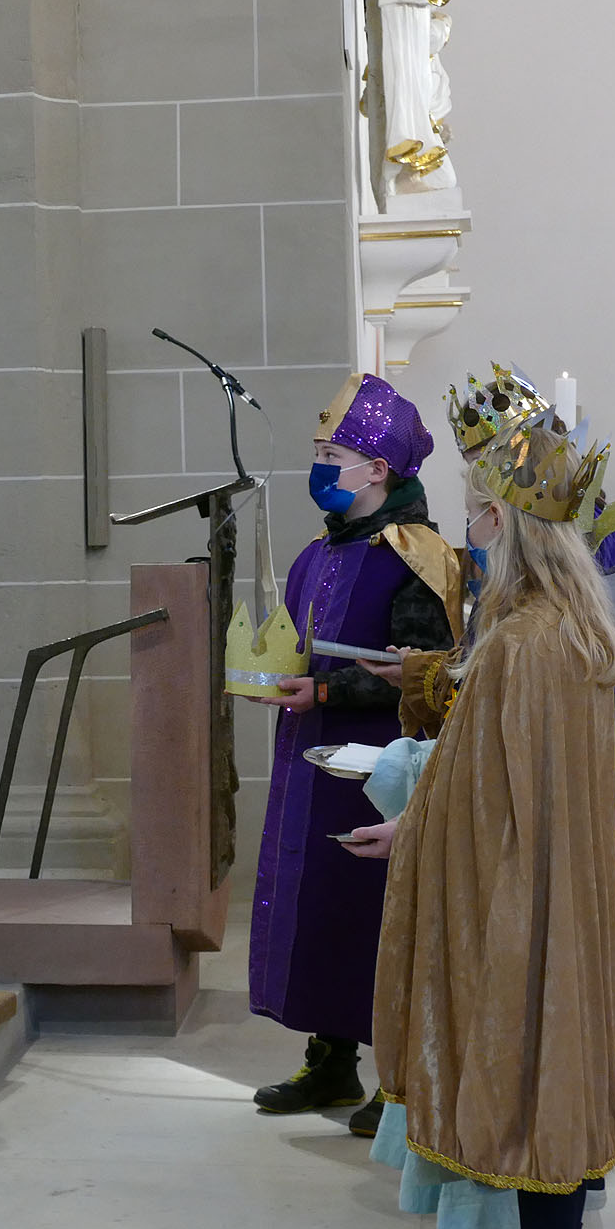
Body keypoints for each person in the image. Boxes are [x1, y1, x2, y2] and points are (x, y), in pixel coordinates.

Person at [348, 422, 615, 1229]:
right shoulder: (574, 628)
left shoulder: (519, 643)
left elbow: (484, 790)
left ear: (501, 524)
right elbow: (503, 778)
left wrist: (411, 828)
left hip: (511, 890)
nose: (465, 530)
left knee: (518, 1067)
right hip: (562, 885)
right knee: (554, 1065)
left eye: (473, 512)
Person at [243, 375, 459, 1127]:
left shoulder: (419, 555)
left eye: (331, 453)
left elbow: (431, 668)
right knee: (319, 907)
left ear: (377, 470)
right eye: (315, 451)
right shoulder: (318, 552)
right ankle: (331, 1062)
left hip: (381, 760)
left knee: (375, 911)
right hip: (309, 752)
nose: (318, 467)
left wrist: (330, 693)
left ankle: (396, 1082)